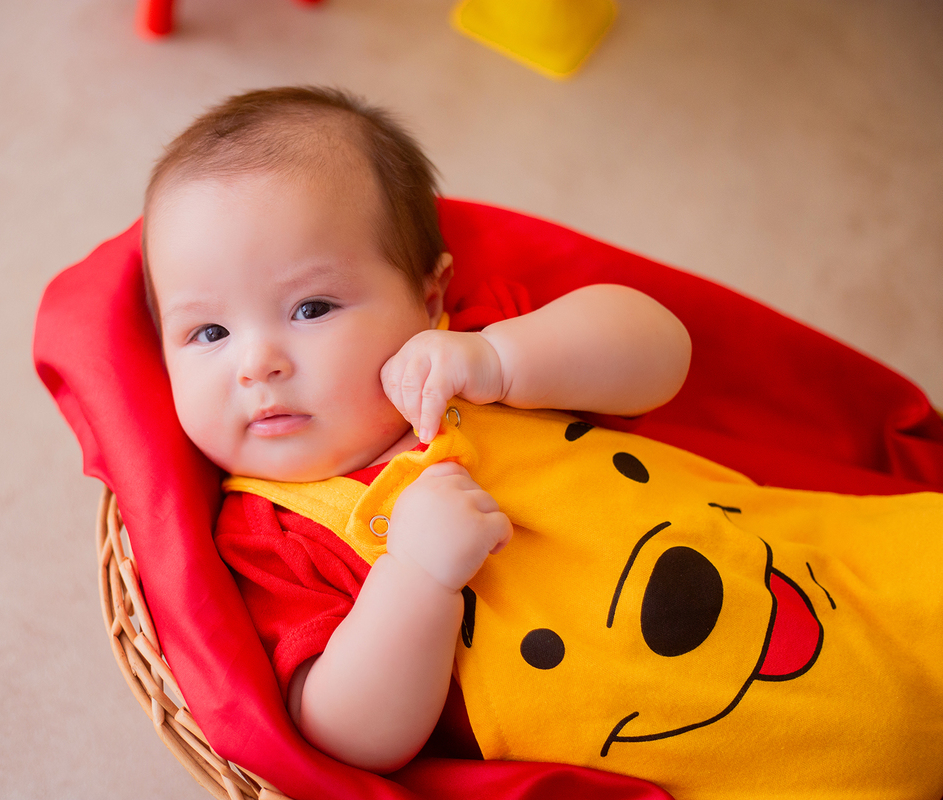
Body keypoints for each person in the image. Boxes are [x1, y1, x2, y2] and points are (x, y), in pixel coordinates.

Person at [141, 86, 943, 798]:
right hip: (738, 759)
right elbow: (345, 737)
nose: (257, 363)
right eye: (207, 332)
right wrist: (415, 577)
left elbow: (662, 355)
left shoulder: (475, 350)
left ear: (428, 296)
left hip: (830, 571)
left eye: (311, 309)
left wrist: (502, 359)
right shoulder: (268, 534)